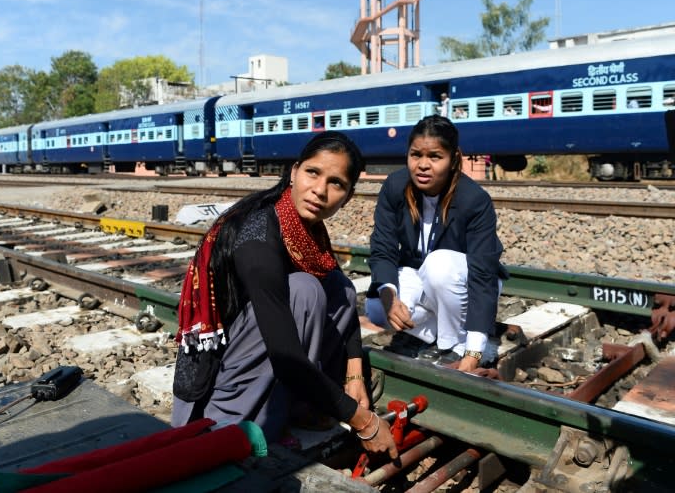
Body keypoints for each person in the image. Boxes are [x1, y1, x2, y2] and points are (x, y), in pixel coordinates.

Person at [171, 131, 398, 459]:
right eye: (313, 173)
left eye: (336, 183)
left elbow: (343, 297)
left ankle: (297, 405)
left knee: (338, 286)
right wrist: (365, 421)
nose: (320, 190)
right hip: (215, 383)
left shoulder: (306, 230)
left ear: (347, 197)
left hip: (259, 352)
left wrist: (354, 373)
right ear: (293, 172)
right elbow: (286, 357)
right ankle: (251, 422)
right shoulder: (258, 236)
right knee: (305, 292)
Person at [365, 115, 508, 373]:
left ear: (454, 159)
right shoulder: (395, 187)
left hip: (466, 279)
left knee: (438, 264)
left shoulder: (475, 200)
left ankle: (458, 343)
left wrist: (473, 355)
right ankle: (436, 332)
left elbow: (482, 274)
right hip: (424, 277)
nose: (423, 165)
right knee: (375, 306)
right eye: (415, 155)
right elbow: (383, 247)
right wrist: (388, 294)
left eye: (435, 157)